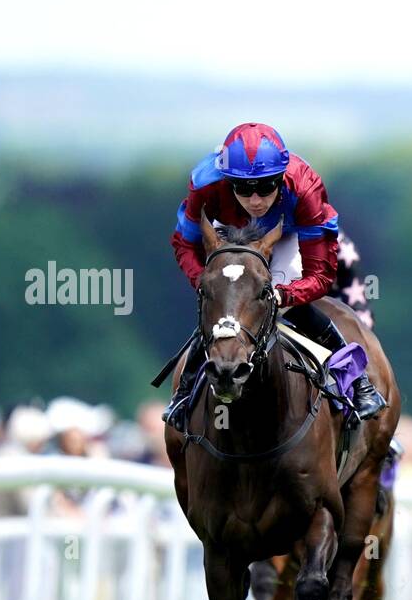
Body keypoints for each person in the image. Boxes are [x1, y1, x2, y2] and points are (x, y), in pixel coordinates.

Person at [164, 122, 386, 429]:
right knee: (225, 305)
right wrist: (206, 283)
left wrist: (283, 295)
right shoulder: (205, 183)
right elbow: (185, 243)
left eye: (267, 186)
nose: (256, 200)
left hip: (285, 235)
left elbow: (321, 274)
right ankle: (185, 391)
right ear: (228, 182)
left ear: (282, 177)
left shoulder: (304, 187)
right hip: (228, 233)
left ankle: (359, 383)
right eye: (243, 188)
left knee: (282, 304)